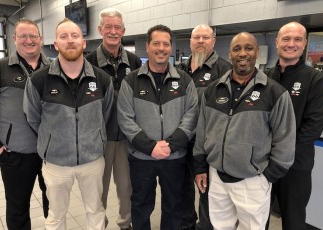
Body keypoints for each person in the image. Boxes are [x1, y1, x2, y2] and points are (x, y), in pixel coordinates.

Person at [193, 32, 296, 230]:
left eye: (248, 48)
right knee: (220, 226)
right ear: (229, 53)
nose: (243, 53)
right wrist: (200, 167)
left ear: (257, 52)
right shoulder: (213, 90)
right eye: (237, 49)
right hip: (217, 175)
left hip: (253, 179)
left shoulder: (275, 93)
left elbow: (285, 139)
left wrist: (268, 176)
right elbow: (202, 131)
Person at [23, 18, 114, 230]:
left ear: (84, 43)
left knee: (95, 211)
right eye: (63, 37)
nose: (69, 41)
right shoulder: (38, 80)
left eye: (75, 36)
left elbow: (106, 115)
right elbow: (33, 117)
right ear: (55, 44)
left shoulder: (102, 79)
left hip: (92, 160)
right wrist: (55, 139)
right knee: (56, 215)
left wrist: (93, 137)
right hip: (56, 163)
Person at [117, 24, 198, 230]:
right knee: (141, 205)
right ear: (148, 46)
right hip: (142, 158)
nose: (161, 48)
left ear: (171, 47)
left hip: (175, 158)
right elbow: (125, 119)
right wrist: (150, 146)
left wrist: (171, 145)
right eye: (156, 43)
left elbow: (191, 116)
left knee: (173, 206)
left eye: (165, 44)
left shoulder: (184, 80)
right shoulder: (131, 81)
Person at [0, 18, 49, 230]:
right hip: (15, 153)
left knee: (55, 204)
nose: (28, 40)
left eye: (33, 36)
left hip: (51, 153)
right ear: (14, 39)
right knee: (18, 208)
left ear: (40, 39)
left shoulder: (54, 68)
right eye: (23, 36)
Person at [266, 22, 323, 230]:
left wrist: (281, 157)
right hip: (262, 164)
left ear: (304, 44)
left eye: (297, 39)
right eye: (286, 39)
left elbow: (312, 127)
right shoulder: (264, 77)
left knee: (293, 221)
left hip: (295, 166)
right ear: (277, 43)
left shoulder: (316, 80)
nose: (291, 44)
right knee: (257, 218)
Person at [86, 8, 141, 230]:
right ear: (100, 30)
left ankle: (125, 223)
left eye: (117, 27)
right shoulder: (88, 62)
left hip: (128, 138)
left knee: (126, 187)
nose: (113, 31)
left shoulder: (135, 62)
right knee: (99, 189)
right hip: (99, 139)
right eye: (108, 26)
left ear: (123, 31)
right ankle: (100, 224)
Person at [177, 24, 232, 230]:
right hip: (181, 143)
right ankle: (186, 225)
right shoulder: (179, 70)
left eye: (205, 37)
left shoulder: (225, 70)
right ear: (190, 42)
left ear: (214, 41)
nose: (200, 41)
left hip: (207, 147)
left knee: (207, 194)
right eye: (196, 37)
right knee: (182, 191)